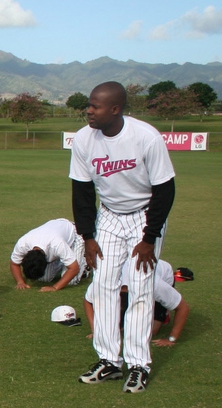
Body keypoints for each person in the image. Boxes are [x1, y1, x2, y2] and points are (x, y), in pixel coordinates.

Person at [71, 81, 175, 393]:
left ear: (115, 109)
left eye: (95, 106)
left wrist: (150, 237)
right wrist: (88, 236)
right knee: (102, 285)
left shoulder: (145, 137)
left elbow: (165, 190)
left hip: (145, 216)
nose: (88, 110)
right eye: (88, 104)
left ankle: (138, 364)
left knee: (141, 286)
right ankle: (109, 361)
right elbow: (81, 191)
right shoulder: (84, 139)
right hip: (109, 216)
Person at [81, 259, 190, 348]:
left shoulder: (154, 285)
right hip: (135, 274)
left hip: (163, 274)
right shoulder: (103, 281)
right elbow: (88, 301)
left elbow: (183, 308)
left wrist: (171, 338)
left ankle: (164, 313)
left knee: (152, 331)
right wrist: (96, 331)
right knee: (119, 326)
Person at [10, 218, 87, 291]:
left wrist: (55, 287)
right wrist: (20, 282)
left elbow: (74, 268)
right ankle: (66, 259)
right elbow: (14, 264)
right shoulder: (22, 244)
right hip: (55, 232)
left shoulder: (56, 245)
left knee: (71, 281)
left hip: (75, 234)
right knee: (44, 278)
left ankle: (85, 262)